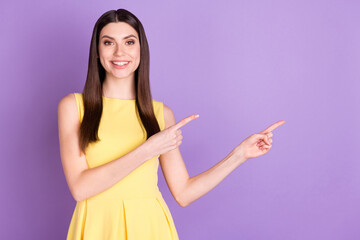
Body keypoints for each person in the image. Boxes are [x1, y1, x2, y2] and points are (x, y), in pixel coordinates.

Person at [57, 8, 285, 240]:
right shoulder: (74, 107)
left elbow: (183, 193)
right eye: (108, 42)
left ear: (140, 50)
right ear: (97, 51)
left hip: (150, 228)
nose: (120, 52)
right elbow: (80, 188)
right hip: (97, 227)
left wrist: (239, 154)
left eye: (129, 42)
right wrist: (148, 149)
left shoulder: (160, 114)